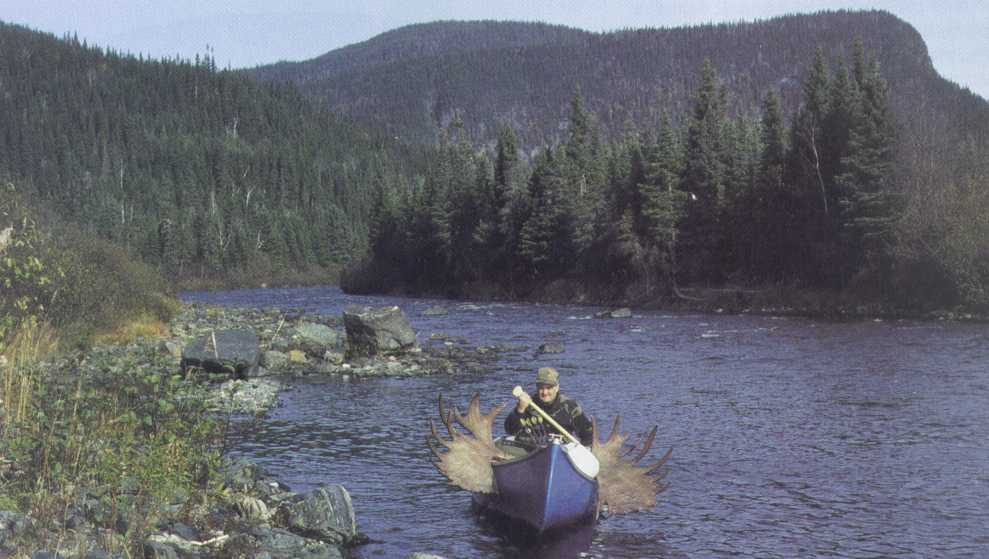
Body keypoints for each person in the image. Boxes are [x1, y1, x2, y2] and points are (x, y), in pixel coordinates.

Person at [504, 367, 594, 447]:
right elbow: (510, 430)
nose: (545, 392)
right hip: (531, 449)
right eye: (541, 388)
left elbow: (588, 435)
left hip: (562, 450)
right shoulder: (527, 404)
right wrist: (520, 410)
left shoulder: (569, 406)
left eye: (549, 388)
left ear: (557, 387)